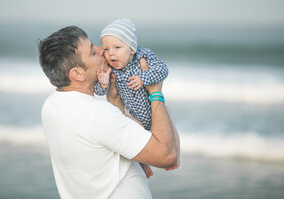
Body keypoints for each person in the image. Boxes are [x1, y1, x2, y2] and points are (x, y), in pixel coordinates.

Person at [38, 26, 179, 199]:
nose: (102, 51)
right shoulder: (98, 114)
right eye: (92, 52)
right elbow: (167, 155)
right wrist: (155, 91)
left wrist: (114, 103)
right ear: (77, 74)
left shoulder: (52, 105)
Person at [94, 19, 169, 178]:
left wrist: (143, 77)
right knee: (135, 131)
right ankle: (143, 162)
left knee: (169, 130)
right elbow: (100, 92)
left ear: (132, 49)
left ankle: (175, 157)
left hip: (153, 110)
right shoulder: (110, 67)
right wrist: (103, 84)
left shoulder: (144, 55)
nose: (111, 53)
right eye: (106, 49)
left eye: (117, 47)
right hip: (133, 115)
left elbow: (163, 70)